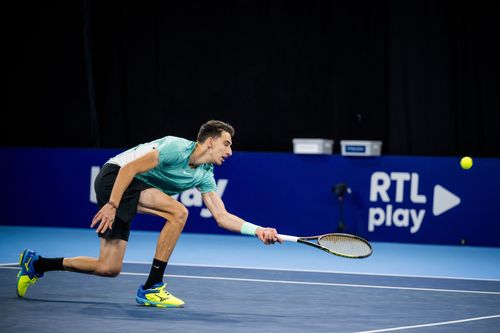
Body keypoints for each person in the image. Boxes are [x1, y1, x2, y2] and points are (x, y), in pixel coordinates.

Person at [16, 120, 282, 308]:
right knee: (178, 212)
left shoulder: (205, 175)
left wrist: (257, 230)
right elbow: (128, 169)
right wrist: (111, 204)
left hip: (133, 188)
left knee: (108, 268)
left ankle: (37, 264)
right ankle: (152, 287)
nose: (230, 151)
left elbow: (222, 217)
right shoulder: (175, 148)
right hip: (115, 178)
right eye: (226, 144)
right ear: (210, 142)